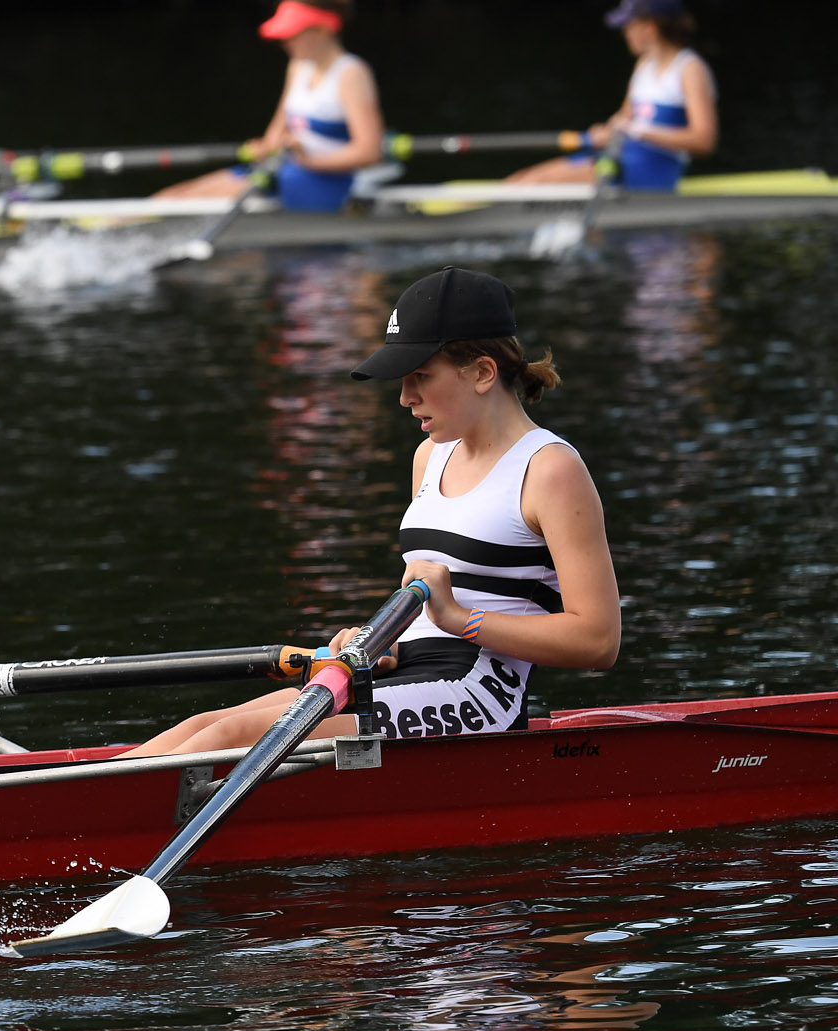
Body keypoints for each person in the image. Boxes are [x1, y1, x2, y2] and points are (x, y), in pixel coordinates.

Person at [129, 267, 620, 757]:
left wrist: (459, 620)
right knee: (201, 725)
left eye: (420, 377)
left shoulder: (550, 470)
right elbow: (423, 596)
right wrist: (376, 636)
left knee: (227, 741)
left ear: (483, 372)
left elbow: (597, 640)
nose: (406, 398)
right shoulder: (430, 456)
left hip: (477, 691)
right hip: (402, 665)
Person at [152, 0, 383, 213]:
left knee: (178, 205)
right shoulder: (297, 67)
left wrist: (308, 161)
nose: (286, 42)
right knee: (169, 198)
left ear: (323, 28)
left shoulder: (351, 74)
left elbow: (369, 152)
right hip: (285, 170)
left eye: (294, 33)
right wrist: (266, 146)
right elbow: (275, 135)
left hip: (324, 182)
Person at [507, 0, 716, 191]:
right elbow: (624, 119)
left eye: (629, 26)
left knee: (534, 184)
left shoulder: (690, 69)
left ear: (650, 28)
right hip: (620, 158)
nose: (625, 33)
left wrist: (641, 132)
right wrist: (605, 131)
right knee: (517, 181)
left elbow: (704, 140)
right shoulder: (644, 65)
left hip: (653, 171)